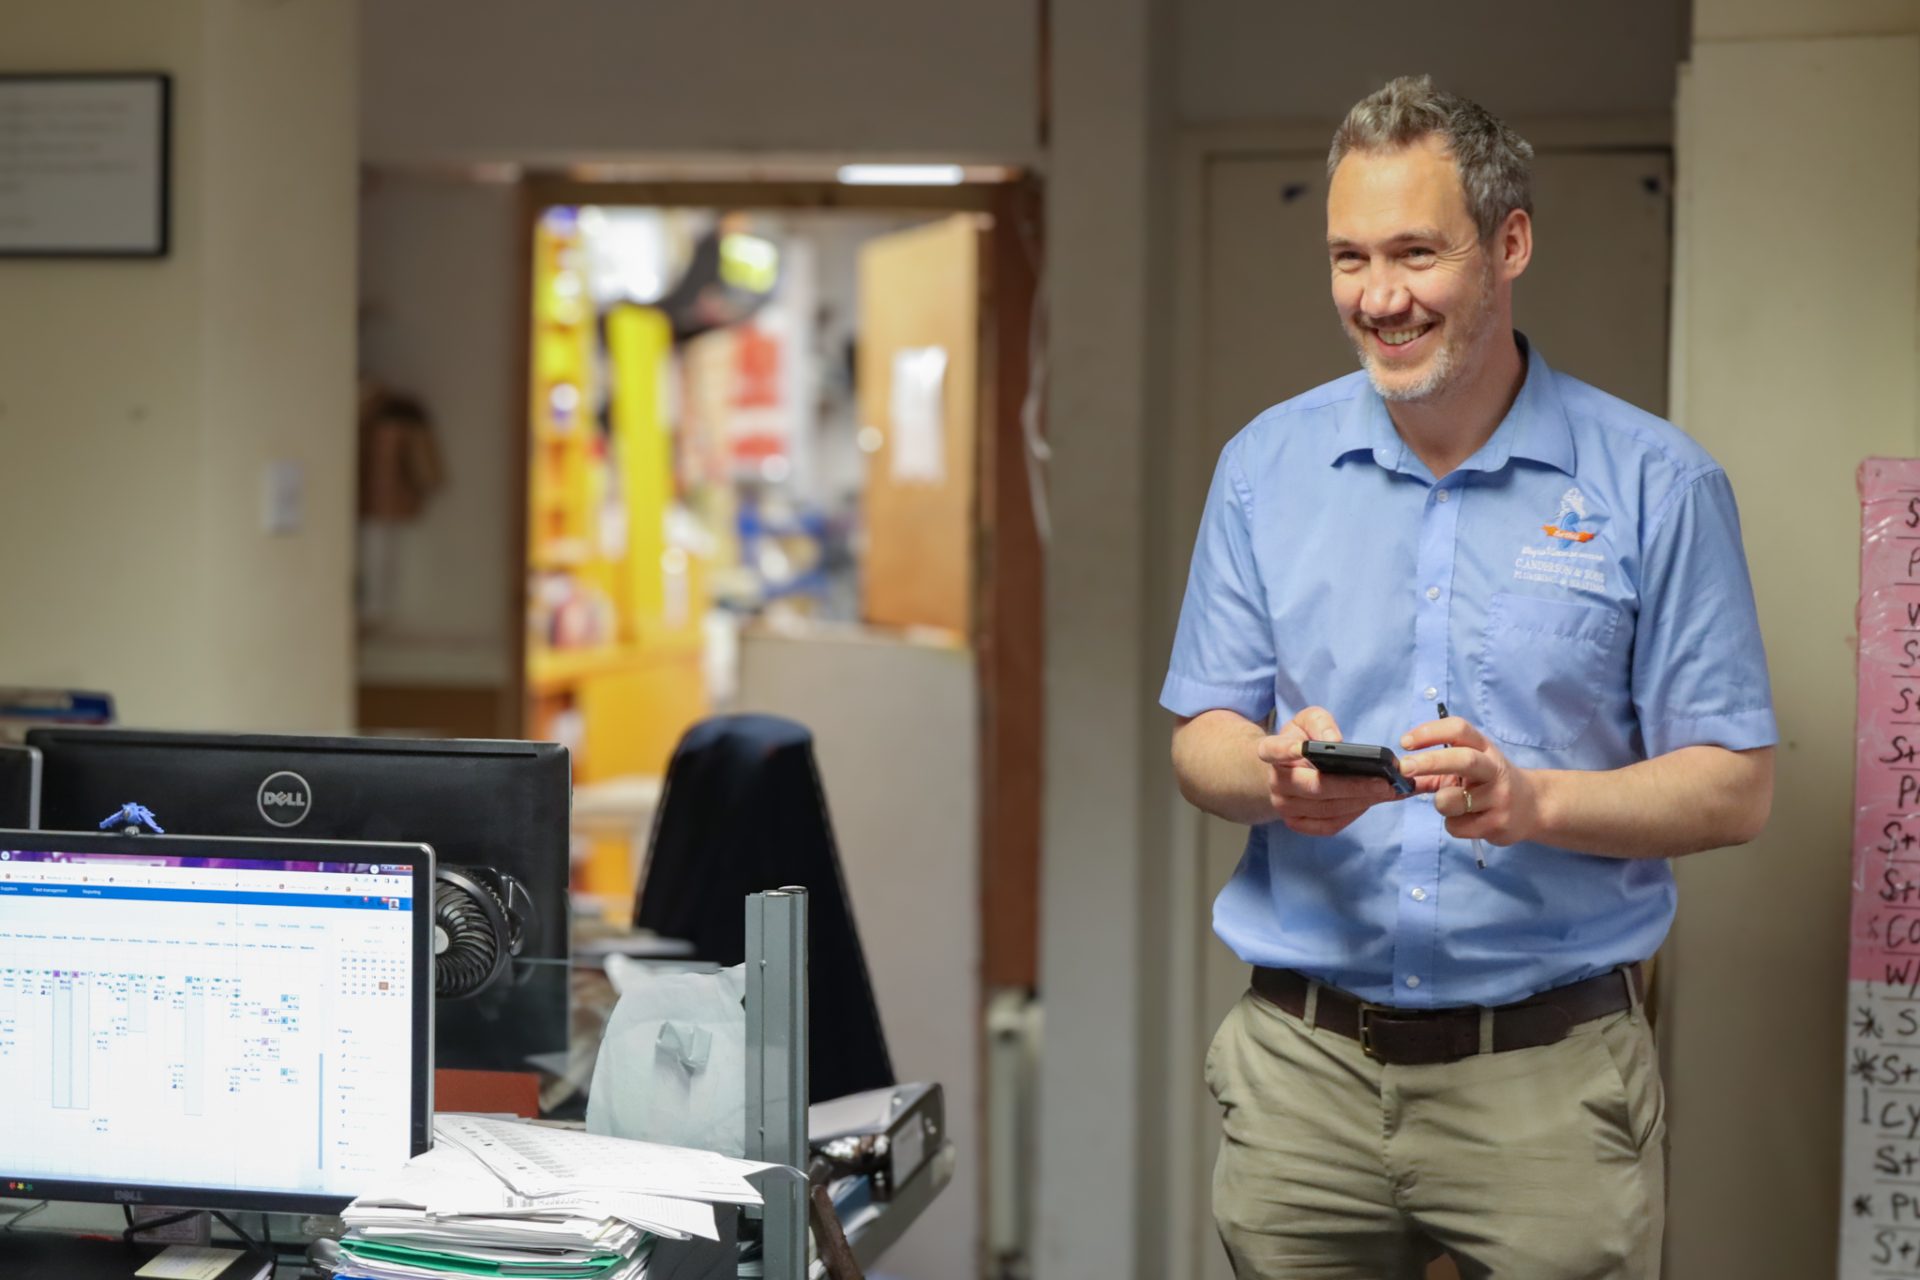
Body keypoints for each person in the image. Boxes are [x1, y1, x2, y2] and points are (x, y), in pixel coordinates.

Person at [1163, 75, 1775, 1279]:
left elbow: (1735, 786)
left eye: (1415, 253)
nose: (1379, 297)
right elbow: (1200, 737)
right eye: (1348, 256)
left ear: (1510, 242)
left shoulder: (1659, 483)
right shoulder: (1262, 467)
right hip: (1303, 1077)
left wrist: (1533, 802)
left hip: (1547, 1084)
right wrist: (1271, 771)